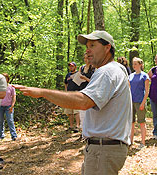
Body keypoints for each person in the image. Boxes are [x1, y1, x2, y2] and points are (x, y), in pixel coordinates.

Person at [14, 30, 132, 175]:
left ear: (107, 48)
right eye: (87, 46)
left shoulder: (107, 72)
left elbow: (83, 102)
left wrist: (43, 92)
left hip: (103, 150)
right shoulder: (115, 70)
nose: (88, 50)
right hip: (104, 149)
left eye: (93, 45)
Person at [129, 57, 150, 149]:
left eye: (136, 64)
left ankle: (143, 142)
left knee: (141, 122)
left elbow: (147, 91)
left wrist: (143, 102)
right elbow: (128, 89)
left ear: (140, 65)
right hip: (131, 102)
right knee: (131, 122)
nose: (134, 66)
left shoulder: (145, 76)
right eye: (133, 64)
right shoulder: (130, 76)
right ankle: (130, 141)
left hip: (140, 101)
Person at [0, 73, 17, 141]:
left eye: (5, 78)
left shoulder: (11, 87)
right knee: (0, 121)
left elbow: (14, 96)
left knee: (10, 121)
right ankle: (1, 136)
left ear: (7, 79)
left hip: (8, 106)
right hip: (0, 106)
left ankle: (14, 136)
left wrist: (12, 106)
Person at [78, 53, 95, 128]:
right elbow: (78, 77)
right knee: (81, 111)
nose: (86, 60)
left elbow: (94, 81)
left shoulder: (93, 68)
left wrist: (85, 78)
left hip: (90, 91)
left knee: (90, 112)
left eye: (87, 58)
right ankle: (82, 131)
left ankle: (90, 130)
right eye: (84, 58)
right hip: (81, 90)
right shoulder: (81, 67)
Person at [64, 61, 80, 132]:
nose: (71, 67)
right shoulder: (68, 75)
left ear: (75, 67)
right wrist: (66, 92)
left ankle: (77, 126)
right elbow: (65, 83)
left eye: (72, 66)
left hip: (76, 93)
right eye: (70, 66)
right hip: (69, 95)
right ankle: (71, 126)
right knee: (69, 111)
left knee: (76, 111)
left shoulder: (78, 74)